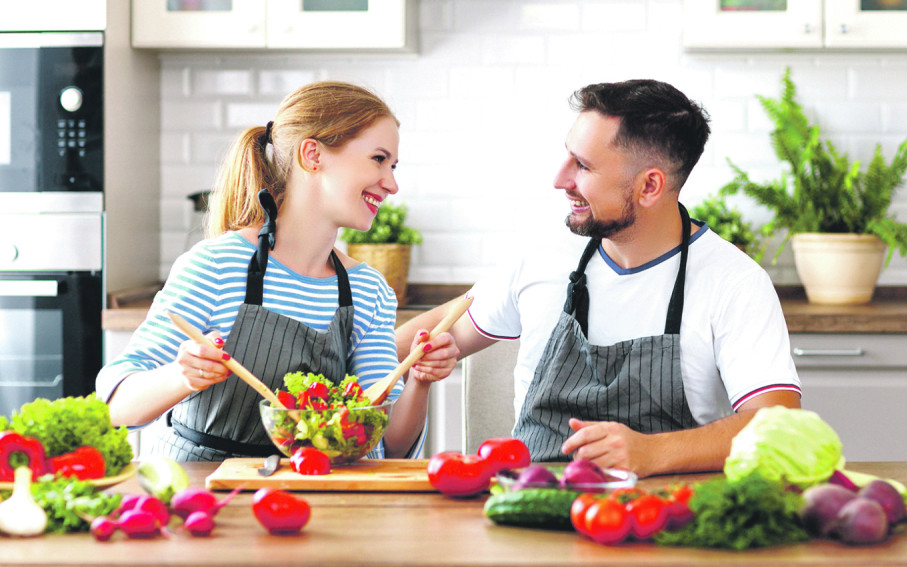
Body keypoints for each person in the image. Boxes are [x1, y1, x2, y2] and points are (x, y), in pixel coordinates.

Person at [397, 79, 801, 478]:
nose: (560, 179)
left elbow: (777, 427)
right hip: (530, 513)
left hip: (665, 519)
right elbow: (423, 338)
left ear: (649, 186)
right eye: (568, 156)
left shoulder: (734, 282)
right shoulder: (541, 257)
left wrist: (652, 451)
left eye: (583, 166)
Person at [98, 81, 458, 462]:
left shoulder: (368, 291)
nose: (392, 183)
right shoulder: (218, 266)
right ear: (313, 155)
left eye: (393, 165)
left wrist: (420, 380)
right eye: (378, 159)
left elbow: (389, 444)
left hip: (307, 503)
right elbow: (116, 405)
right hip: (198, 499)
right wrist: (181, 376)